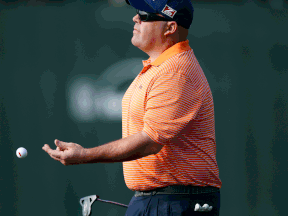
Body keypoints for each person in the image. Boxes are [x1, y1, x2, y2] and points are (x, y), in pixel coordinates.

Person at [42, 0, 222, 215]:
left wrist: (84, 155)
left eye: (145, 16)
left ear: (170, 28)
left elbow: (150, 142)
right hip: (162, 199)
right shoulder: (159, 68)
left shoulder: (176, 72)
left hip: (177, 200)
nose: (135, 18)